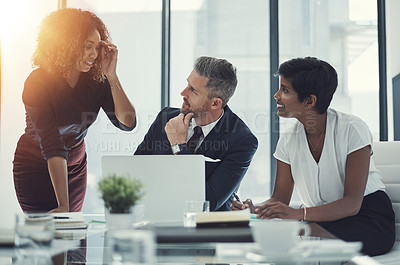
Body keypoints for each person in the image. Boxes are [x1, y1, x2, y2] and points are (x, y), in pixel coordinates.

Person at [232, 57, 395, 256]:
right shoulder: (288, 140)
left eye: (285, 90)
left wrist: (298, 216)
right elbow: (279, 199)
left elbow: (352, 204)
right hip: (319, 219)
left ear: (309, 101)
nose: (276, 96)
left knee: (313, 243)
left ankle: (308, 233)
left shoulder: (352, 129)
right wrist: (255, 210)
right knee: (295, 239)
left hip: (366, 217)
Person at [13, 8, 136, 213]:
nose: (93, 54)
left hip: (75, 168)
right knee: (45, 238)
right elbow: (52, 144)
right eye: (87, 47)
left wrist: (112, 76)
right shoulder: (37, 82)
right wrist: (63, 205)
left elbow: (127, 123)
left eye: (96, 47)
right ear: (66, 45)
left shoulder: (96, 80)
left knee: (75, 237)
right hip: (36, 166)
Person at [135, 56, 258, 211]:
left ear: (215, 103)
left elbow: (207, 203)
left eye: (193, 90)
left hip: (208, 231)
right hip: (156, 221)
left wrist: (178, 146)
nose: (182, 93)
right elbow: (136, 176)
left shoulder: (242, 140)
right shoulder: (165, 118)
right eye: (188, 84)